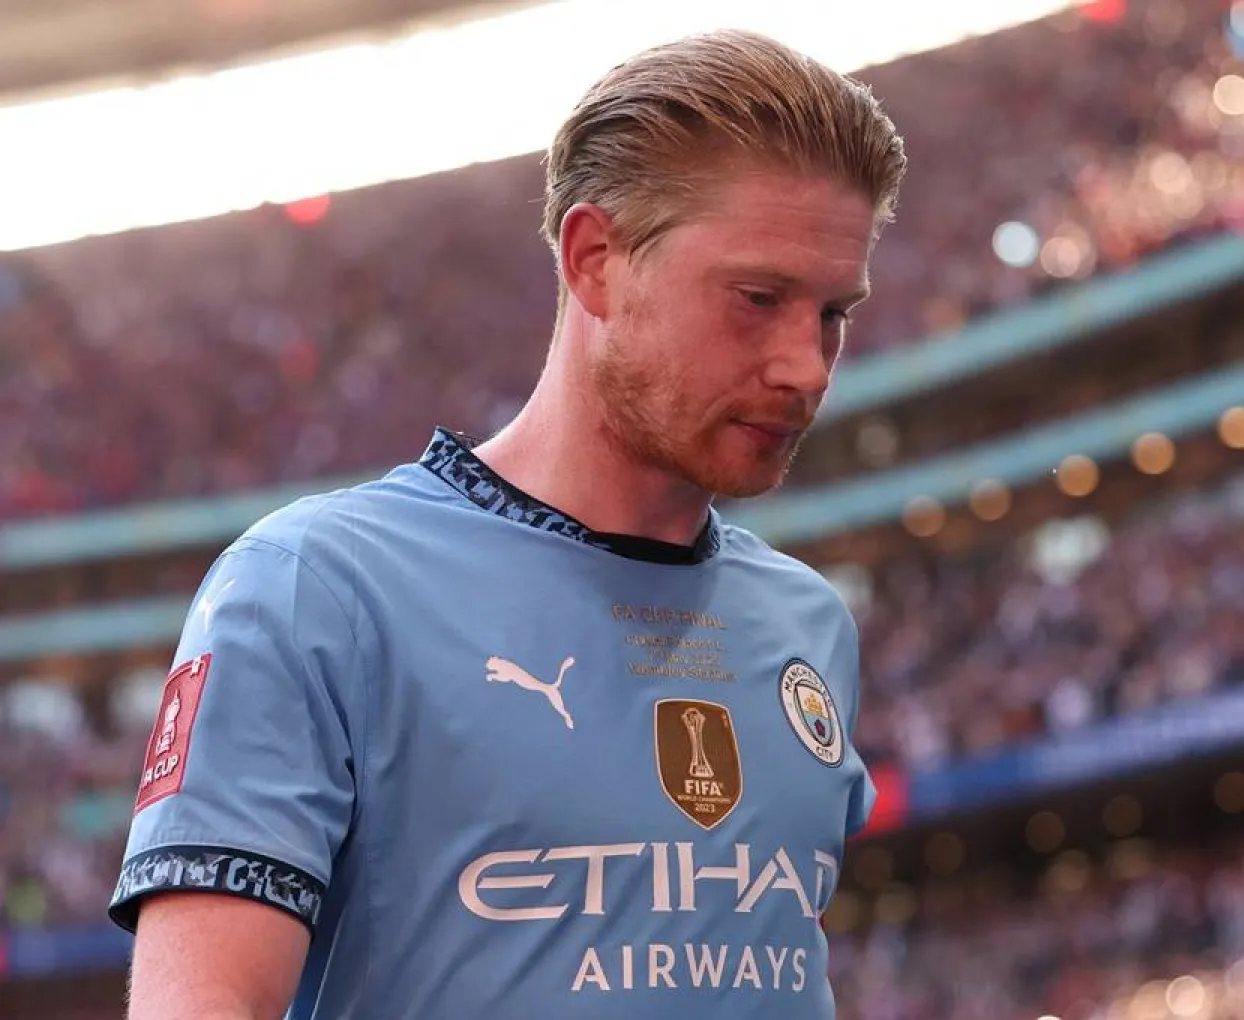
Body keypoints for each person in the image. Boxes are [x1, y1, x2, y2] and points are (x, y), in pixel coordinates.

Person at [108, 27, 907, 1020]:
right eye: (757, 298)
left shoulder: (807, 623)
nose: (806, 365)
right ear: (594, 261)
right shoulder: (319, 590)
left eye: (834, 313)